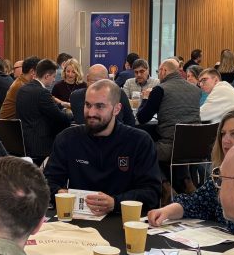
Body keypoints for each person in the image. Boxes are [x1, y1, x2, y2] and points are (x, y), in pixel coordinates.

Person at [147, 104, 234, 236]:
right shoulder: (221, 176)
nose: (225, 140)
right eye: (223, 134)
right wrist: (166, 211)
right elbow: (196, 203)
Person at [44, 79, 160, 216]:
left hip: (121, 219)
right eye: (88, 105)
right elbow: (47, 183)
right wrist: (59, 193)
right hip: (77, 219)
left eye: (100, 106)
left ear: (116, 109)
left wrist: (115, 202)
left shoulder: (139, 141)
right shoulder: (67, 138)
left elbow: (152, 193)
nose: (91, 113)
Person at [138, 58, 201, 163]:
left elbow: (142, 118)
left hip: (170, 148)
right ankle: (184, 174)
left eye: (158, 71)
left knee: (140, 145)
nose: (158, 75)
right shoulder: (196, 90)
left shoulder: (160, 89)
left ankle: (161, 175)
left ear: (164, 71)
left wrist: (145, 98)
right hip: (195, 147)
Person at [15, 58, 72, 165]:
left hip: (23, 142)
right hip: (40, 145)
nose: (54, 80)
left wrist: (61, 106)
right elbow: (60, 117)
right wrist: (70, 114)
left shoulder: (22, 89)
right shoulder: (42, 93)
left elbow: (45, 107)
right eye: (53, 76)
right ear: (46, 76)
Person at [71, 64, 136, 127]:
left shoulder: (118, 93)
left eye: (102, 83)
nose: (97, 87)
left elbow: (130, 121)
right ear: (87, 79)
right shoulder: (76, 97)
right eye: (88, 105)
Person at [0, 56, 37, 120]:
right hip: (11, 123)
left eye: (15, 68)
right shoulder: (21, 85)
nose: (13, 70)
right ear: (32, 71)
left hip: (12, 121)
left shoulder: (22, 81)